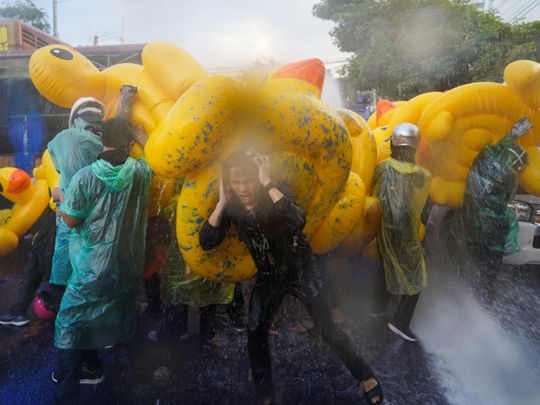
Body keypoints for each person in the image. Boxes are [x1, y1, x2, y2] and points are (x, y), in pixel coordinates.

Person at [200, 150, 382, 405]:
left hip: (300, 269)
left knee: (327, 329)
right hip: (269, 276)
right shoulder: (231, 205)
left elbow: (297, 220)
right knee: (255, 330)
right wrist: (220, 203)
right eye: (236, 182)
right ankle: (266, 394)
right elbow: (207, 241)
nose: (242, 188)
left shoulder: (275, 191)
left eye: (248, 181)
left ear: (259, 176)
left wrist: (267, 182)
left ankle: (366, 376)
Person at [51, 118, 152, 404]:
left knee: (70, 322)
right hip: (127, 267)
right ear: (130, 143)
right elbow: (155, 163)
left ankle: (67, 388)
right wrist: (145, 142)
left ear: (101, 139)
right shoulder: (141, 172)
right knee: (121, 313)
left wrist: (62, 199)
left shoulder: (84, 177)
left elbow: (72, 219)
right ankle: (135, 380)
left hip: (90, 270)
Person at [43, 97, 105, 312]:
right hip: (96, 218)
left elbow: (58, 165)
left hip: (68, 212)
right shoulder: (102, 145)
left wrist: (61, 195)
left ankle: (63, 308)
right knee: (88, 266)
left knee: (64, 256)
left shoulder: (63, 139)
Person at [461, 117, 531, 305]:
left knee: (475, 263)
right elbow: (507, 201)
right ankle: (483, 303)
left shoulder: (485, 157)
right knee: (489, 272)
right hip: (493, 231)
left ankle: (472, 298)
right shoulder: (508, 176)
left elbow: (500, 147)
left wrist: (514, 132)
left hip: (473, 225)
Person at [373, 123, 432, 342]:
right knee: (417, 276)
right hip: (406, 233)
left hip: (382, 229)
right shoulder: (421, 175)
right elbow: (423, 205)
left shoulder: (381, 167)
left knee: (383, 265)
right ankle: (400, 322)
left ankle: (377, 307)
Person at [0, 208, 56, 326]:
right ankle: (18, 313)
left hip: (55, 241)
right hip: (47, 240)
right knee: (32, 275)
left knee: (53, 280)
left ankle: (18, 313)